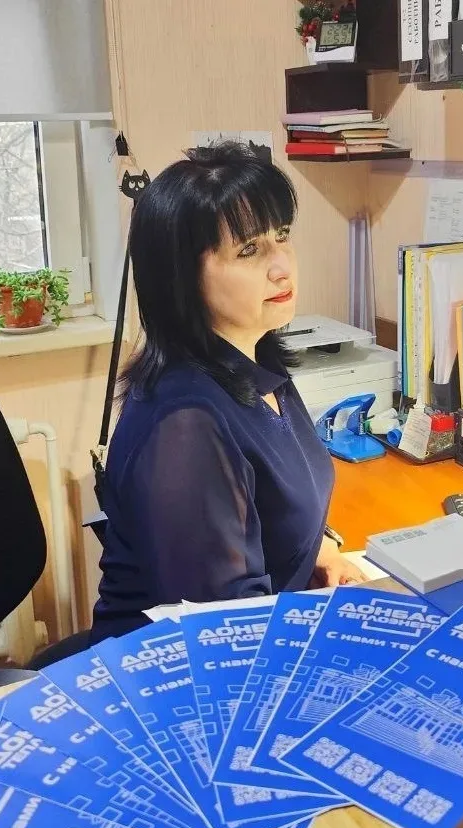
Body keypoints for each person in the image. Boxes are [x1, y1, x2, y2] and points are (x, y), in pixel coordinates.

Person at [90, 143, 366, 642]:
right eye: (249, 251)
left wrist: (320, 551)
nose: (282, 266)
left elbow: (275, 507)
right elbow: (229, 629)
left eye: (282, 237)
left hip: (262, 631)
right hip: (174, 668)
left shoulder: (255, 358)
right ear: (183, 278)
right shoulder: (186, 423)